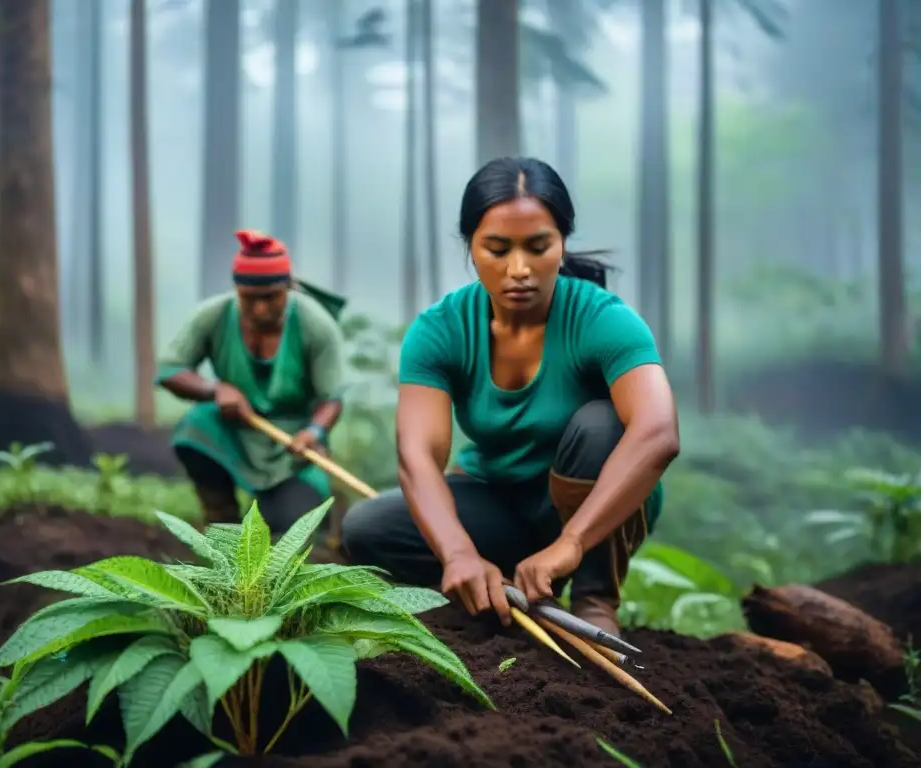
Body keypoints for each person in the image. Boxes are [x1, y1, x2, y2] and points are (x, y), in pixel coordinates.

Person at [340, 157, 680, 637]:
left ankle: (593, 600)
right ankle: (494, 591)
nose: (518, 269)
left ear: (561, 245)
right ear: (471, 248)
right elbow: (418, 455)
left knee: (603, 425)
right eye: (497, 249)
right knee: (368, 527)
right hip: (498, 502)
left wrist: (573, 542)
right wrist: (457, 551)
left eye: (537, 246)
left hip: (592, 514)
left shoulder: (603, 319)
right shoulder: (441, 329)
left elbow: (658, 432)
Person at [156, 229, 348, 531]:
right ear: (236, 289)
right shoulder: (213, 316)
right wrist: (215, 388)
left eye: (271, 298)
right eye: (249, 299)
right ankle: (220, 521)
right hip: (233, 430)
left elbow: (332, 399)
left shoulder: (316, 325)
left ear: (288, 286)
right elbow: (169, 371)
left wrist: (314, 432)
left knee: (292, 526)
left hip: (291, 446)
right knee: (195, 426)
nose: (260, 309)